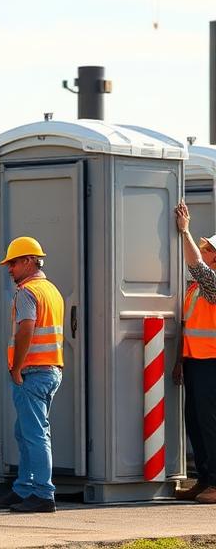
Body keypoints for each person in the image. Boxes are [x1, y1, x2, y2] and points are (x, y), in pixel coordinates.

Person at [0, 236, 64, 513]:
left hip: (33, 372)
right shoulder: (51, 290)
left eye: (13, 263)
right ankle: (24, 488)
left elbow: (26, 329)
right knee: (25, 432)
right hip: (50, 370)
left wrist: (16, 368)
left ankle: (44, 494)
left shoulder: (27, 292)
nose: (9, 269)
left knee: (34, 434)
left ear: (28, 261)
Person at [173, 200, 216, 503]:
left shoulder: (212, 283)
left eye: (209, 248)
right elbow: (186, 325)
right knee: (196, 421)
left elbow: (196, 265)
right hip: (195, 361)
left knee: (210, 423)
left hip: (211, 362)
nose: (204, 250)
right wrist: (179, 360)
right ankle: (204, 478)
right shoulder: (195, 288)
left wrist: (185, 232)